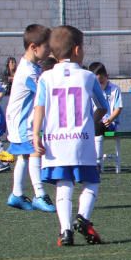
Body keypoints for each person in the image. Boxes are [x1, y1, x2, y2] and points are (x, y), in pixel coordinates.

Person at [32, 25, 110, 247]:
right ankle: (83, 218)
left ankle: (65, 231)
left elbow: (39, 107)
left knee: (63, 184)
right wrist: (90, 121)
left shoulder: (45, 78)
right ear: (77, 50)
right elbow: (103, 107)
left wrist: (36, 134)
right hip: (81, 141)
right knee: (91, 181)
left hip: (55, 141)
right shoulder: (87, 76)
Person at [4, 24, 56, 212]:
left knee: (25, 156)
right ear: (34, 47)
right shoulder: (29, 72)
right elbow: (44, 94)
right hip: (21, 121)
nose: (49, 51)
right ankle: (40, 195)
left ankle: (16, 195)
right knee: (35, 151)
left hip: (19, 119)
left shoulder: (30, 66)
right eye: (47, 47)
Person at [88, 62, 123, 171]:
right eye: (97, 82)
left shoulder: (114, 89)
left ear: (106, 76)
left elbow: (119, 107)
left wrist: (110, 119)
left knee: (97, 125)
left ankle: (97, 162)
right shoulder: (89, 89)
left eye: (101, 81)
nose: (100, 84)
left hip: (109, 124)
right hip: (92, 123)